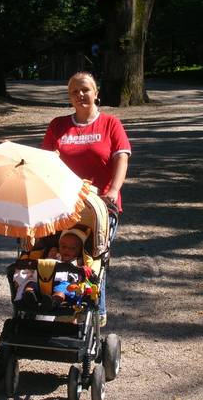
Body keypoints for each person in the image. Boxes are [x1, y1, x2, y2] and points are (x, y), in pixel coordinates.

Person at [41, 71, 131, 326]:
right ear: (69, 96)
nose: (81, 95)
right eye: (74, 91)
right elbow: (46, 162)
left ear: (96, 93)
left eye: (85, 90)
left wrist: (113, 190)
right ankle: (58, 304)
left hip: (100, 206)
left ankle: (94, 313)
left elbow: (121, 157)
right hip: (64, 205)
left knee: (92, 258)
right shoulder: (58, 125)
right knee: (62, 253)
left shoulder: (110, 124)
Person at [19, 228, 94, 309]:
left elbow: (83, 271)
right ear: (59, 247)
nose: (67, 250)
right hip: (44, 281)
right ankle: (30, 296)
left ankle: (53, 302)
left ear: (79, 251)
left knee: (61, 291)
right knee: (31, 284)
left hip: (64, 284)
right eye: (63, 247)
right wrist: (51, 256)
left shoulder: (78, 261)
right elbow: (46, 262)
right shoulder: (56, 256)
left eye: (72, 248)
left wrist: (83, 268)